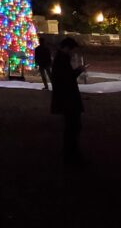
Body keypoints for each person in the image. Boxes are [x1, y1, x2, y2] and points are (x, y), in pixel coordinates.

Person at [51, 37, 85, 165]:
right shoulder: (62, 59)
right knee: (73, 126)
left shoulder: (60, 58)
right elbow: (66, 78)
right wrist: (78, 71)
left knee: (72, 126)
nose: (72, 52)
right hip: (68, 98)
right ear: (67, 48)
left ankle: (71, 152)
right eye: (71, 49)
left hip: (66, 97)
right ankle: (71, 153)